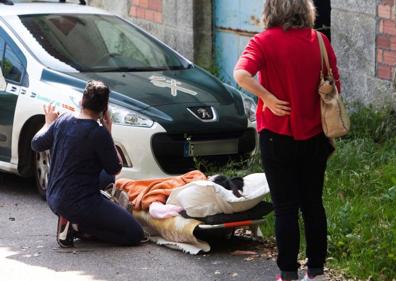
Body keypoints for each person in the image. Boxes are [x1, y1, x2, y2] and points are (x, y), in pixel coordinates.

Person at [233, 1, 339, 280]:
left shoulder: (263, 41)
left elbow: (241, 74)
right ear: (306, 10)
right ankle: (316, 271)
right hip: (316, 136)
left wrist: (266, 97)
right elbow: (335, 85)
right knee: (313, 204)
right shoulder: (320, 41)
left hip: (276, 137)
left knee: (285, 208)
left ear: (272, 10)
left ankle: (288, 273)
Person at [31, 80, 144, 248]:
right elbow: (116, 167)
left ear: (82, 101)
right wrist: (108, 132)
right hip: (79, 203)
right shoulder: (98, 133)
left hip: (54, 196)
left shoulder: (63, 120)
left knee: (107, 178)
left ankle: (73, 219)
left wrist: (48, 123)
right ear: (104, 109)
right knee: (135, 234)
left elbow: (36, 144)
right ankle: (80, 227)